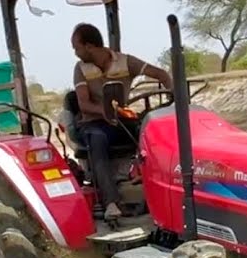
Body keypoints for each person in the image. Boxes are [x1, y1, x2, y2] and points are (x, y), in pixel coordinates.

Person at [69, 22, 173, 221]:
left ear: (90, 46)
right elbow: (84, 104)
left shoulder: (125, 62)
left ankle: (161, 186)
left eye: (77, 48)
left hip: (120, 121)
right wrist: (106, 111)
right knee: (97, 139)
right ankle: (111, 203)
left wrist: (172, 93)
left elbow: (160, 74)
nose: (75, 52)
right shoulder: (81, 68)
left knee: (152, 132)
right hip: (95, 122)